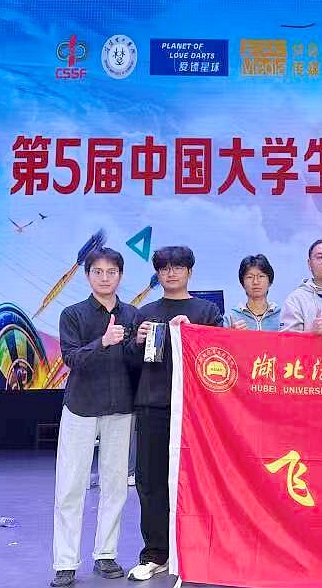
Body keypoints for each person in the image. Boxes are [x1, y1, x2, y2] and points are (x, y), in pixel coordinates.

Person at [129, 247, 223, 580]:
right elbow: (131, 364)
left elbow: (219, 355)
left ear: (189, 272)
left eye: (178, 267)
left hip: (196, 410)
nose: (171, 273)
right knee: (151, 481)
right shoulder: (145, 313)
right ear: (158, 274)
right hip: (153, 405)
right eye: (164, 268)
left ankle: (197, 551)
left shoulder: (206, 311)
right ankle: (156, 553)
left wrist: (194, 331)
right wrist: (136, 341)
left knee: (197, 480)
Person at [51, 248, 138, 587]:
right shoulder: (72, 314)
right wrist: (102, 342)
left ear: (120, 275)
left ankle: (106, 554)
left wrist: (138, 342)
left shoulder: (132, 315)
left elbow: (137, 362)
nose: (105, 278)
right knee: (70, 486)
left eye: (111, 272)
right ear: (87, 275)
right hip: (81, 406)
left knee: (115, 486)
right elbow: (72, 359)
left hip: (121, 407)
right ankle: (65, 562)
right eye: (98, 272)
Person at [224, 254, 281, 331]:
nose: (255, 282)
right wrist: (231, 334)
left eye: (261, 276)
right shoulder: (232, 317)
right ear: (243, 283)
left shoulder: (281, 315)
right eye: (250, 277)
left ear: (270, 282)